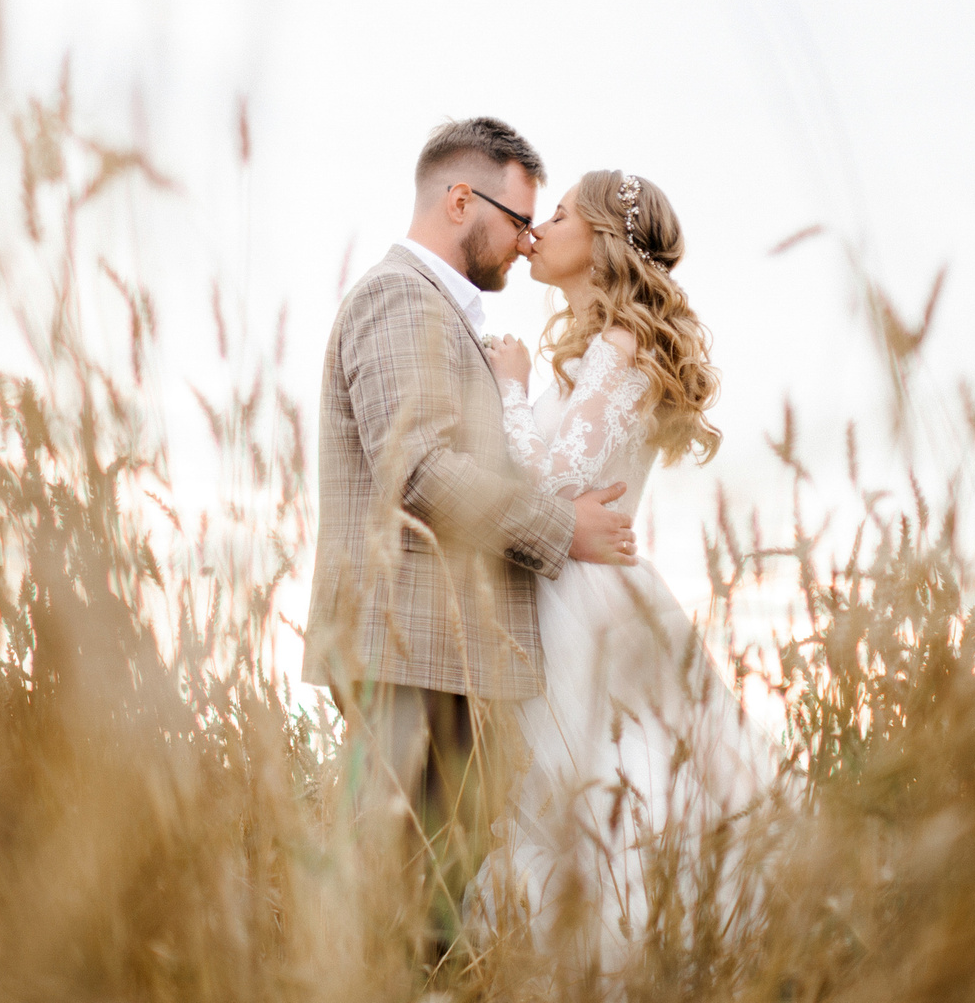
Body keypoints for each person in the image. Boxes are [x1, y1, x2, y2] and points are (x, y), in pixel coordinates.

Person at [304, 118, 640, 973]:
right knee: (395, 911)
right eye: (520, 217)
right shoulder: (398, 299)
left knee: (431, 919)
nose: (528, 239)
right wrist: (566, 530)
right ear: (461, 200)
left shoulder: (448, 318)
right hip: (411, 654)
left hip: (448, 658)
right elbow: (414, 469)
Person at [466, 169, 764, 986]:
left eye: (557, 214)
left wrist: (511, 389)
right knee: (565, 795)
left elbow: (555, 485)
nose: (538, 226)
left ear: (599, 242)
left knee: (600, 792)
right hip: (563, 584)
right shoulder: (593, 352)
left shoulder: (622, 348)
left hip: (582, 601)